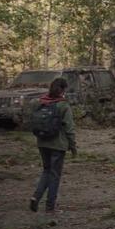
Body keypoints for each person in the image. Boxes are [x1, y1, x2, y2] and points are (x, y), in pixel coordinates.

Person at [30, 77, 76, 213]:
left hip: (42, 143)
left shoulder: (39, 102)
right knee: (55, 175)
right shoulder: (63, 105)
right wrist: (73, 147)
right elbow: (69, 128)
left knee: (46, 171)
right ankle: (50, 207)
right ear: (63, 90)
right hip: (58, 145)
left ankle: (35, 197)